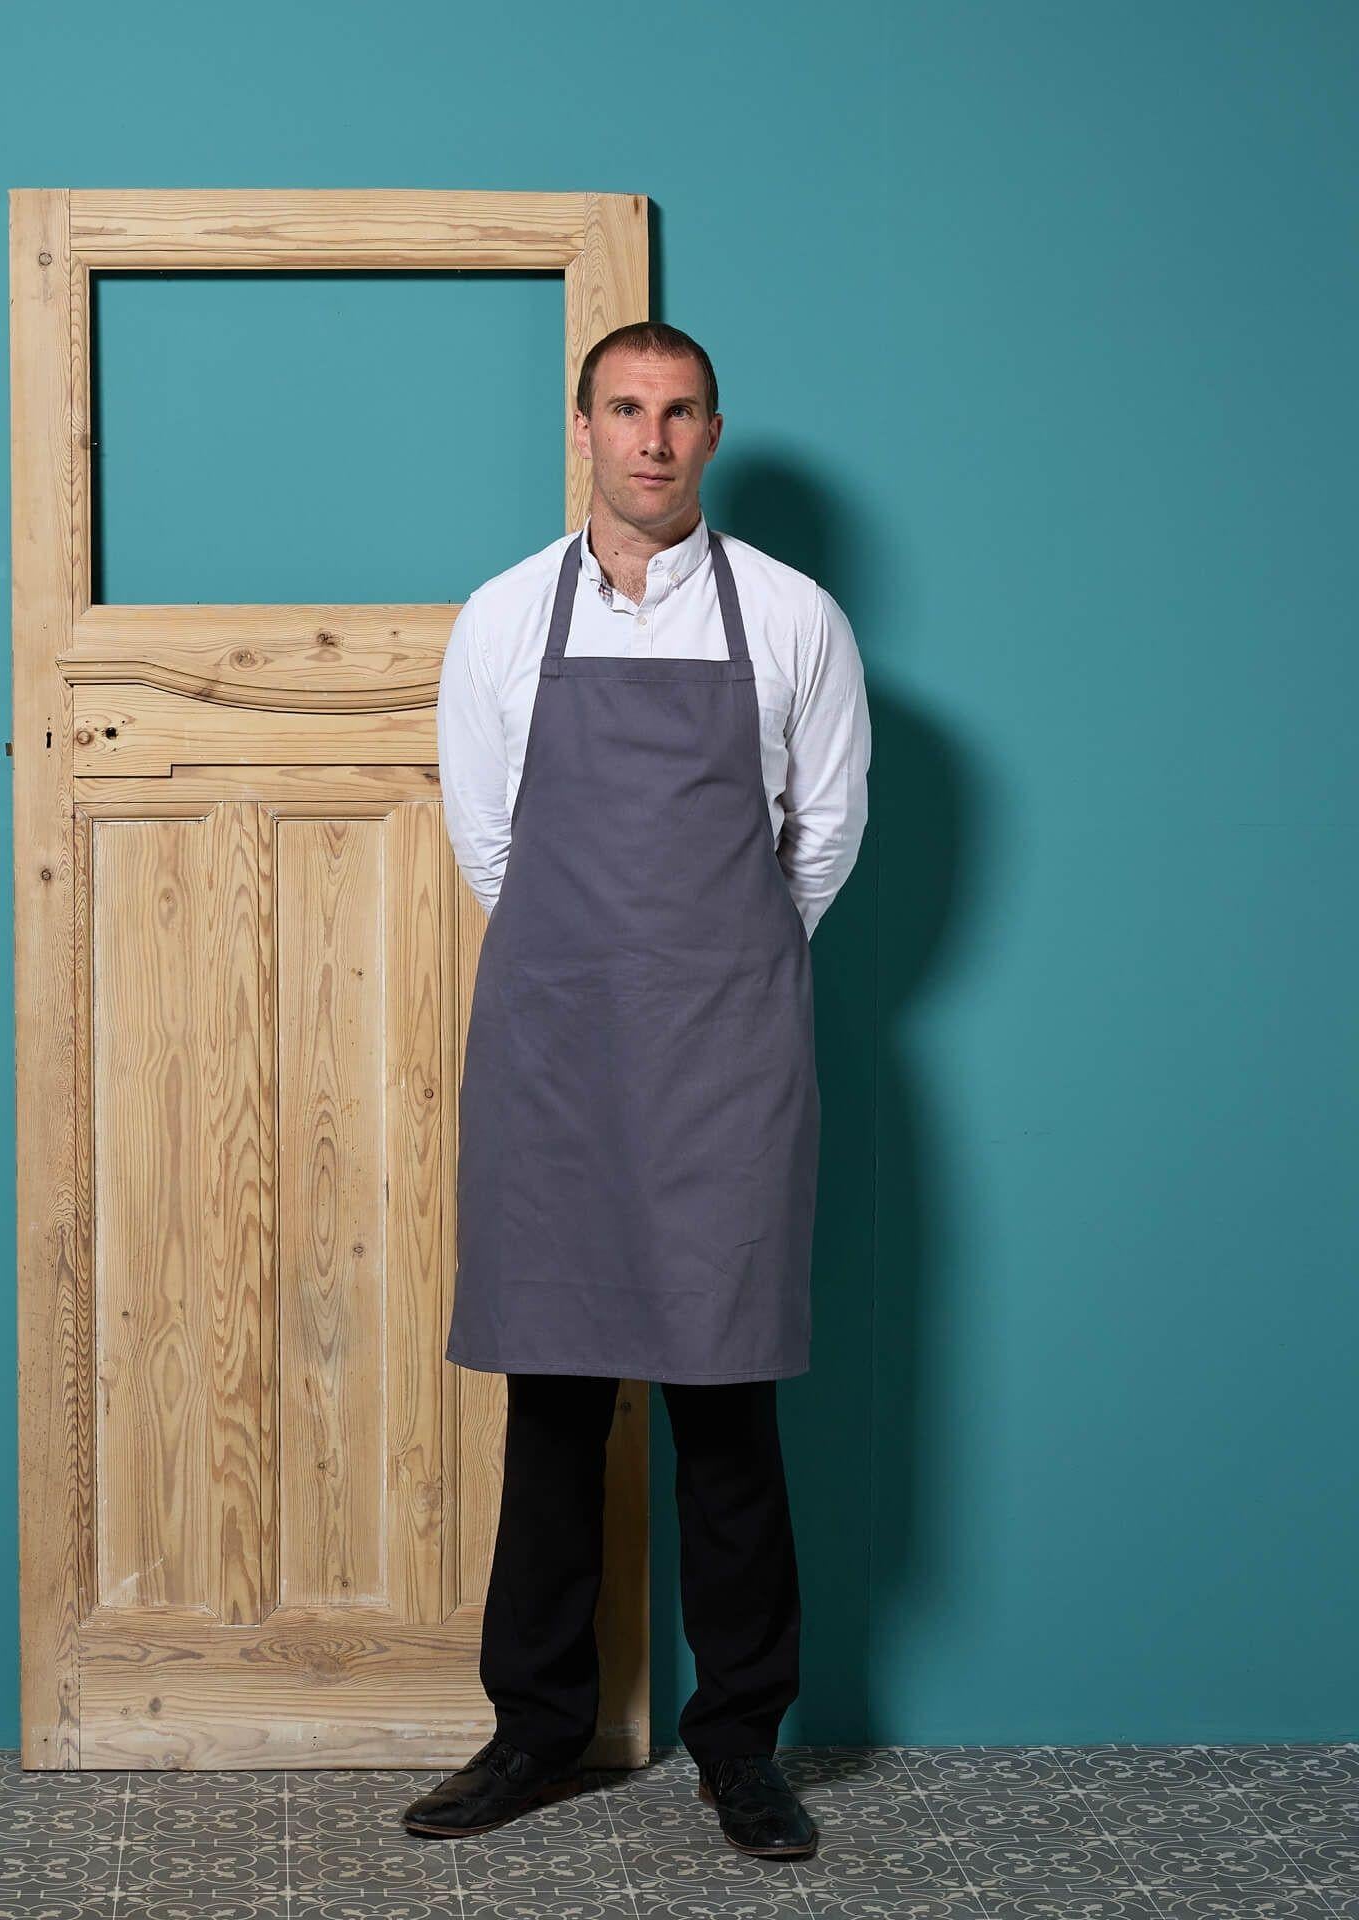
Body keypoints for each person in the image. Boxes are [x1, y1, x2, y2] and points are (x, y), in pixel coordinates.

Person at [403, 323, 871, 1859]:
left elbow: (818, 851)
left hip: (726, 1061)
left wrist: (710, 971)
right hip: (556, 1056)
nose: (651, 440)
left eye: (677, 414)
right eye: (625, 410)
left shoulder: (796, 619)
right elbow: (492, 846)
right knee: (553, 1405)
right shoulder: (500, 616)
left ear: (711, 432)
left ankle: (740, 1745)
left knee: (724, 1413)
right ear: (584, 428)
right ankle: (534, 1734)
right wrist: (599, 969)